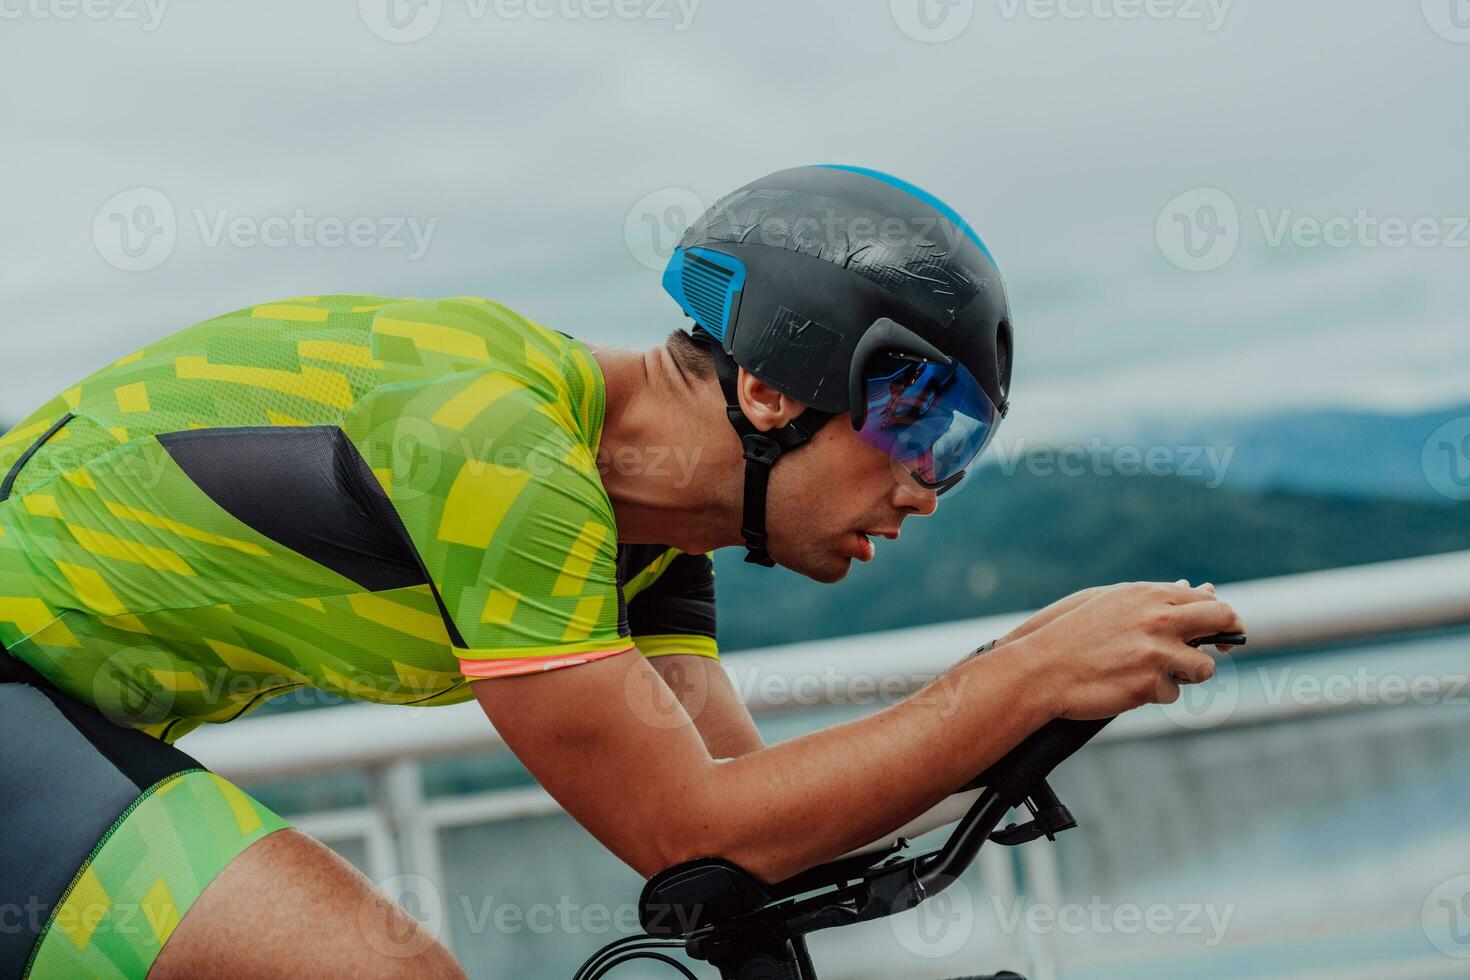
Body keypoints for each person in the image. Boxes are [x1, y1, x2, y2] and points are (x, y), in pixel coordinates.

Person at [0, 165, 1243, 979]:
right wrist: (1019, 677)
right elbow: (687, 827)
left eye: (963, 445)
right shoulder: (499, 449)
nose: (932, 482)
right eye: (921, 419)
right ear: (769, 386)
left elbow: (753, 836)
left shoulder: (647, 543)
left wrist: (1026, 688)